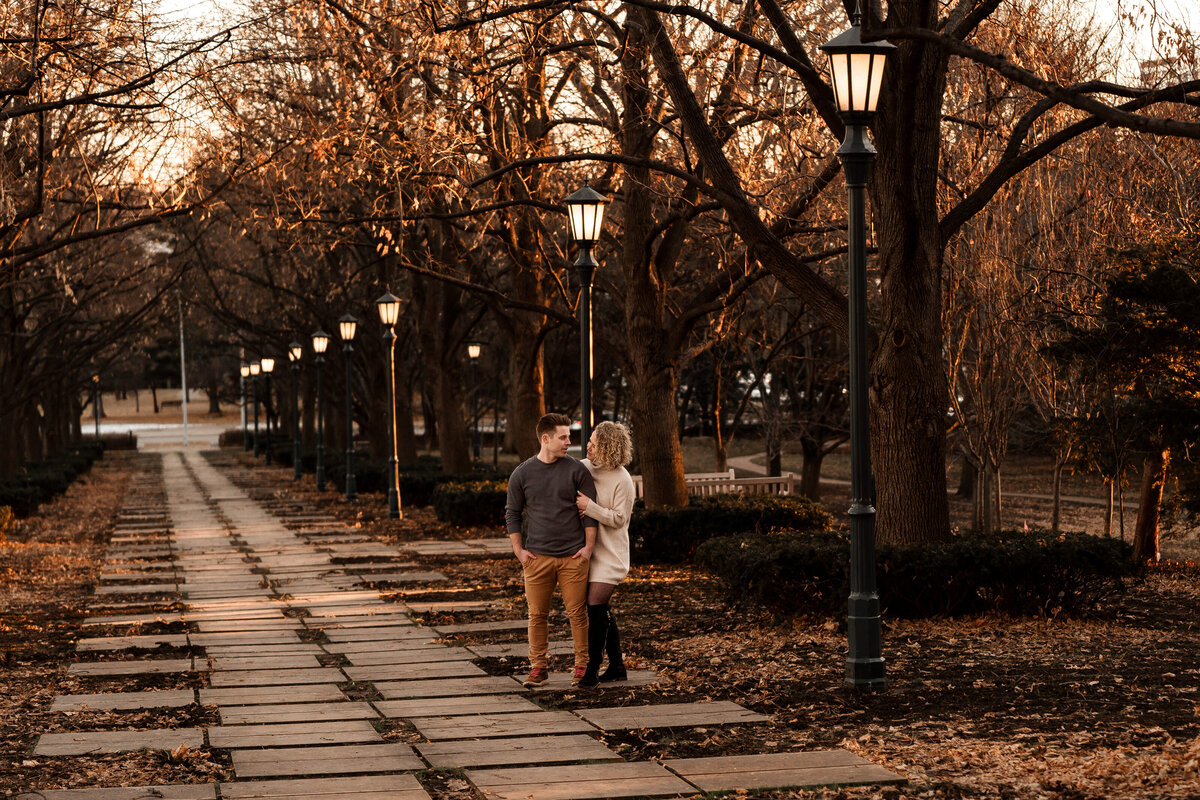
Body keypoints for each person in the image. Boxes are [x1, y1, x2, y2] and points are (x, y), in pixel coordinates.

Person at [505, 413, 599, 687]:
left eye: (569, 436)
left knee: (578, 614)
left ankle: (582, 666)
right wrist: (518, 551)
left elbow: (590, 512)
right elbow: (512, 513)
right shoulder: (522, 473)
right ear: (545, 439)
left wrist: (588, 549)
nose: (569, 441)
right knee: (537, 616)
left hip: (573, 557)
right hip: (537, 558)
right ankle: (538, 669)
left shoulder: (576, 470)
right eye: (563, 437)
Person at [574, 421, 635, 687]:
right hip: (588, 550)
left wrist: (590, 507)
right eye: (589, 441)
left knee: (595, 608)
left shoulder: (622, 478)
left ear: (608, 447)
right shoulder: (584, 467)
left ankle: (592, 670)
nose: (587, 446)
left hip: (611, 555)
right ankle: (618, 666)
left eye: (594, 443)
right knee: (600, 610)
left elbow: (620, 519)